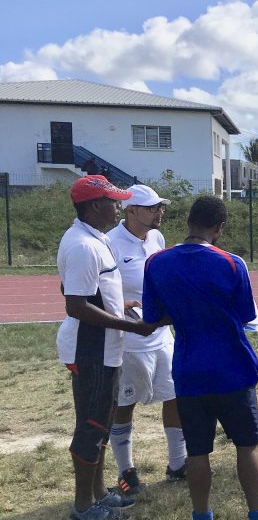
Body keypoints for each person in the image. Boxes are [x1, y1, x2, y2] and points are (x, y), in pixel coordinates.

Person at [143, 196, 258, 520]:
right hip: (233, 368)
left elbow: (153, 316)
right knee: (247, 446)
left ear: (189, 222)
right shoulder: (231, 263)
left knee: (197, 452)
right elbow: (244, 315)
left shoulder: (157, 263)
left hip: (189, 370)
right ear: (219, 228)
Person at [57, 175, 156, 520]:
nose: (118, 207)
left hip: (105, 347)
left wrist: (121, 305)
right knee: (92, 424)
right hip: (91, 349)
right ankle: (83, 507)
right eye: (113, 201)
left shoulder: (92, 239)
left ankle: (98, 494)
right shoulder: (83, 245)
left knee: (101, 423)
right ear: (94, 206)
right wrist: (132, 326)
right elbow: (76, 306)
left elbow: (92, 292)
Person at [106, 184, 187, 492]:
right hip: (129, 341)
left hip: (161, 336)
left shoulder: (156, 238)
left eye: (160, 207)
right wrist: (127, 307)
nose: (160, 212)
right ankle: (126, 470)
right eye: (153, 208)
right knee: (125, 402)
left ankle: (178, 463)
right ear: (131, 211)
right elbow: (99, 293)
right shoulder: (110, 243)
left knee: (174, 395)